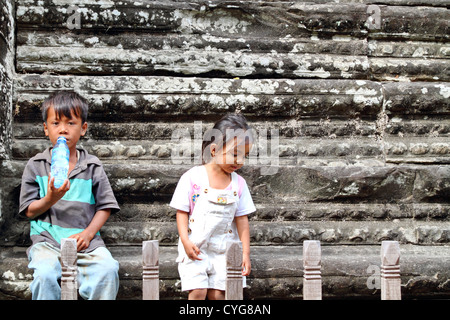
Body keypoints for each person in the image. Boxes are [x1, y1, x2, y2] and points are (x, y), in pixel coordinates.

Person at [18, 91, 120, 300]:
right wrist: (50, 199)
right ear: (46, 129)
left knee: (108, 271)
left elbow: (105, 206)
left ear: (83, 128)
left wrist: (88, 234)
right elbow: (28, 210)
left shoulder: (92, 165)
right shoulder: (36, 165)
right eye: (55, 123)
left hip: (87, 244)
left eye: (70, 123)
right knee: (45, 275)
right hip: (47, 242)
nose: (63, 129)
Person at [170, 113, 256, 300]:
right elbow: (182, 212)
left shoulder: (238, 184)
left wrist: (245, 253)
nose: (240, 161)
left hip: (224, 250)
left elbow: (242, 220)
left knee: (219, 295)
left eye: (245, 156)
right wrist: (185, 241)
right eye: (235, 153)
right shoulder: (193, 178)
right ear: (215, 149)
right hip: (196, 247)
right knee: (198, 292)